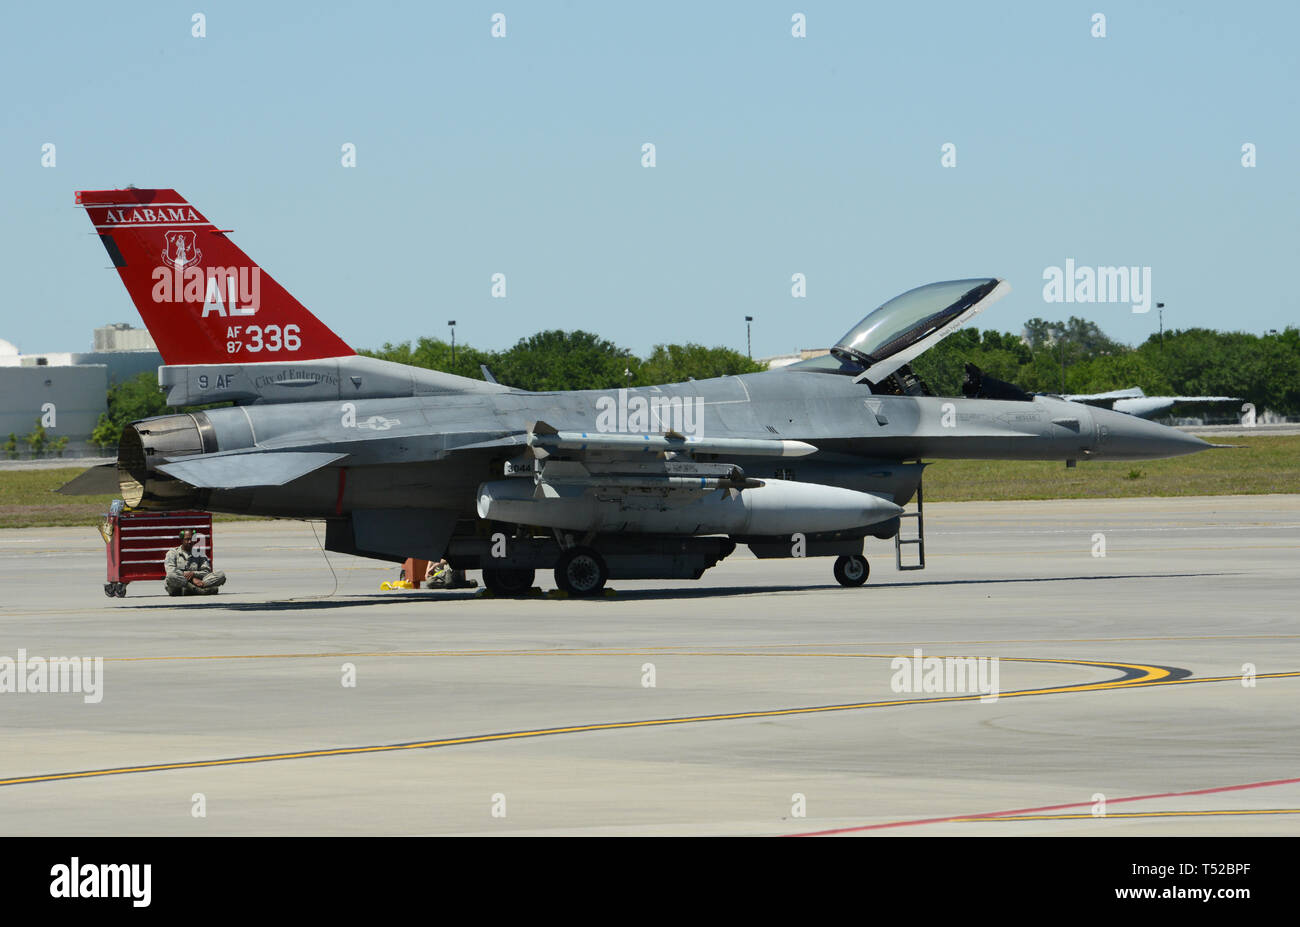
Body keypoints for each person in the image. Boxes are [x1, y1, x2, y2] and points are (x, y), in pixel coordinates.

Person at [164, 528, 226, 596]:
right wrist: (192, 579)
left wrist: (193, 573)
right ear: (182, 540)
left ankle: (191, 590)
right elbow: (170, 571)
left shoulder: (200, 554)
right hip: (180, 584)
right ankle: (200, 591)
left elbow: (206, 571)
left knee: (221, 575)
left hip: (198, 582)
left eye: (191, 539)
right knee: (171, 576)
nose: (190, 542)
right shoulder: (173, 553)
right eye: (187, 539)